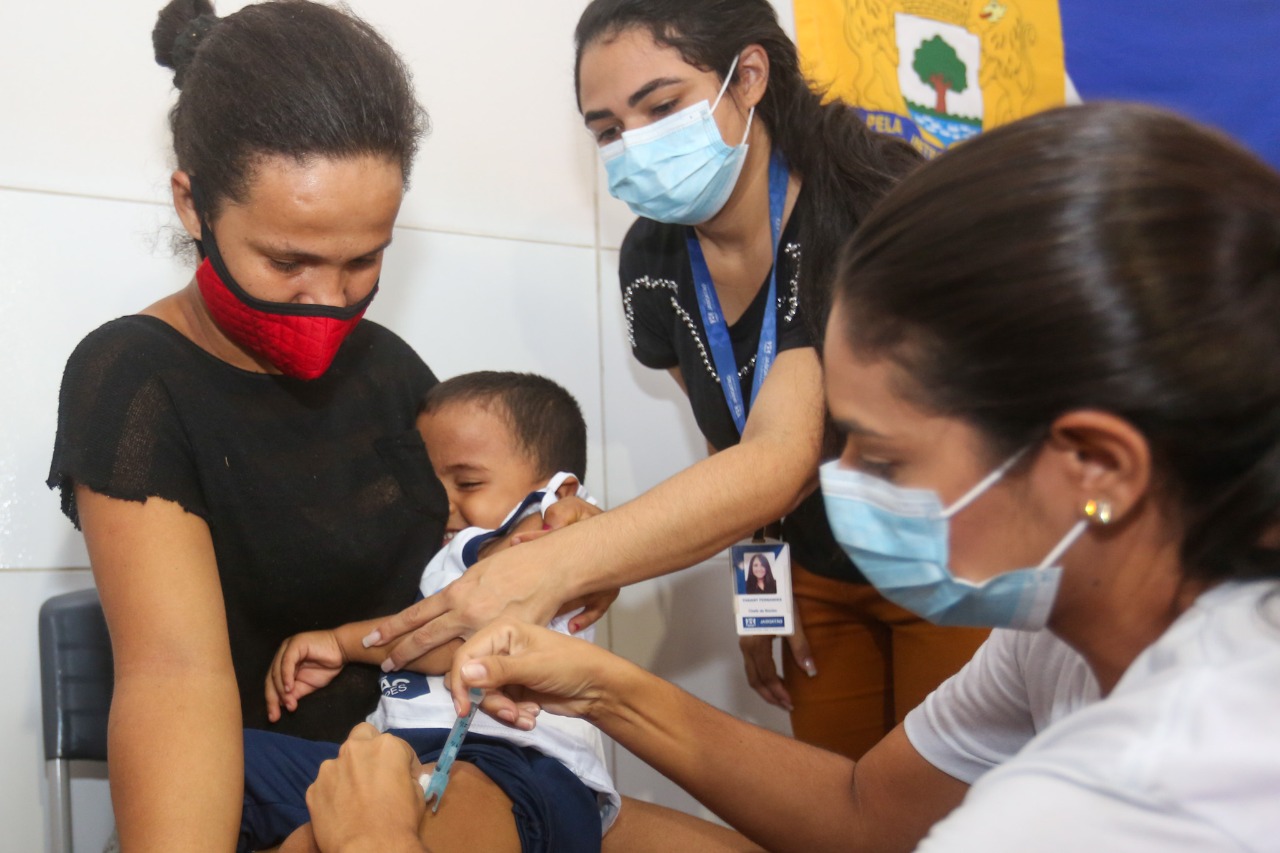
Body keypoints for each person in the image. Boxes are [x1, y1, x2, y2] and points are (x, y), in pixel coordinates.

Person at [330, 103, 1280, 851]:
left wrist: (377, 840)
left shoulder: (1160, 787)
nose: (841, 481)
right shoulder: (1056, 641)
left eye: (881, 451)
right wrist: (599, 686)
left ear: (1097, 467)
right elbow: (867, 812)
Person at [366, 0, 988, 761]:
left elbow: (782, 457)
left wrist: (561, 564)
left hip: (949, 556)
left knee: (954, 815)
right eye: (606, 129)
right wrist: (764, 593)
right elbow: (734, 441)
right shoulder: (652, 266)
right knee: (844, 808)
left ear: (749, 76)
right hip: (821, 574)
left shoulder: (858, 203)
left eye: (661, 106)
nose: (635, 145)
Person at [44, 1, 443, 847]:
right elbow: (174, 680)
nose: (330, 300)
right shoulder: (135, 380)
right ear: (193, 206)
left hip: (434, 769)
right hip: (262, 796)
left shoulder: (391, 369)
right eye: (289, 260)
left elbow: (480, 547)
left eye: (363, 259)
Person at [240, 372, 620, 853]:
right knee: (221, 765)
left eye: (468, 481)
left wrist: (345, 642)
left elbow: (447, 645)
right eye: (430, 481)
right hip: (400, 755)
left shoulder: (546, 536)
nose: (442, 501)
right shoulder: (451, 553)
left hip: (518, 761)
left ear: (558, 490)